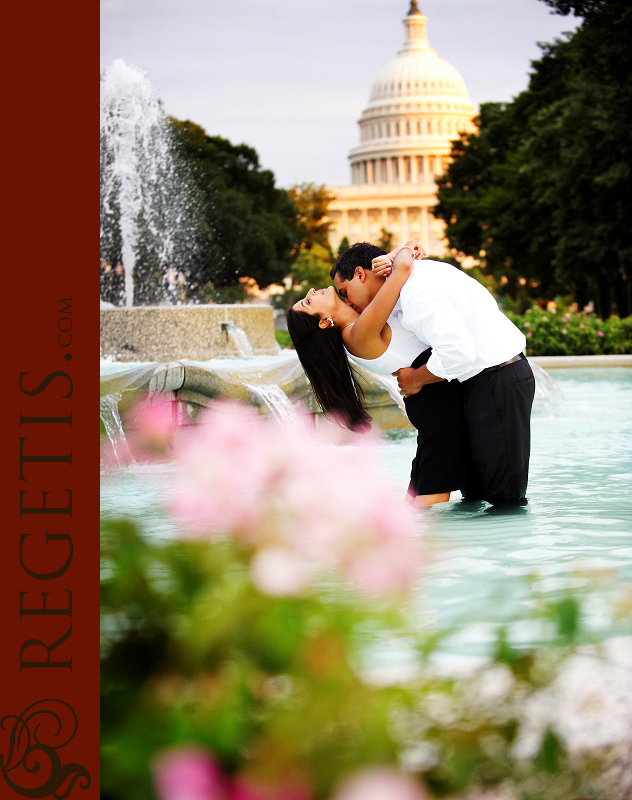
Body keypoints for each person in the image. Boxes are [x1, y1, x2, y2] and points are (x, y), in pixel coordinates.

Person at [332, 241, 535, 505]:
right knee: (479, 494)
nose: (347, 302)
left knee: (503, 499)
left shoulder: (415, 291)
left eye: (345, 292)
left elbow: (458, 353)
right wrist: (401, 251)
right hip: (482, 383)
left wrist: (414, 379)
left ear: (361, 273)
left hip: (498, 378)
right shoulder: (404, 286)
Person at [286, 243, 469, 508]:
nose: (311, 291)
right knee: (433, 499)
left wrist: (393, 256)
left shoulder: (358, 324)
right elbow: (402, 271)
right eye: (308, 301)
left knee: (419, 496)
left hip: (431, 399)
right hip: (435, 404)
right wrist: (401, 252)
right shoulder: (357, 333)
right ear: (324, 321)